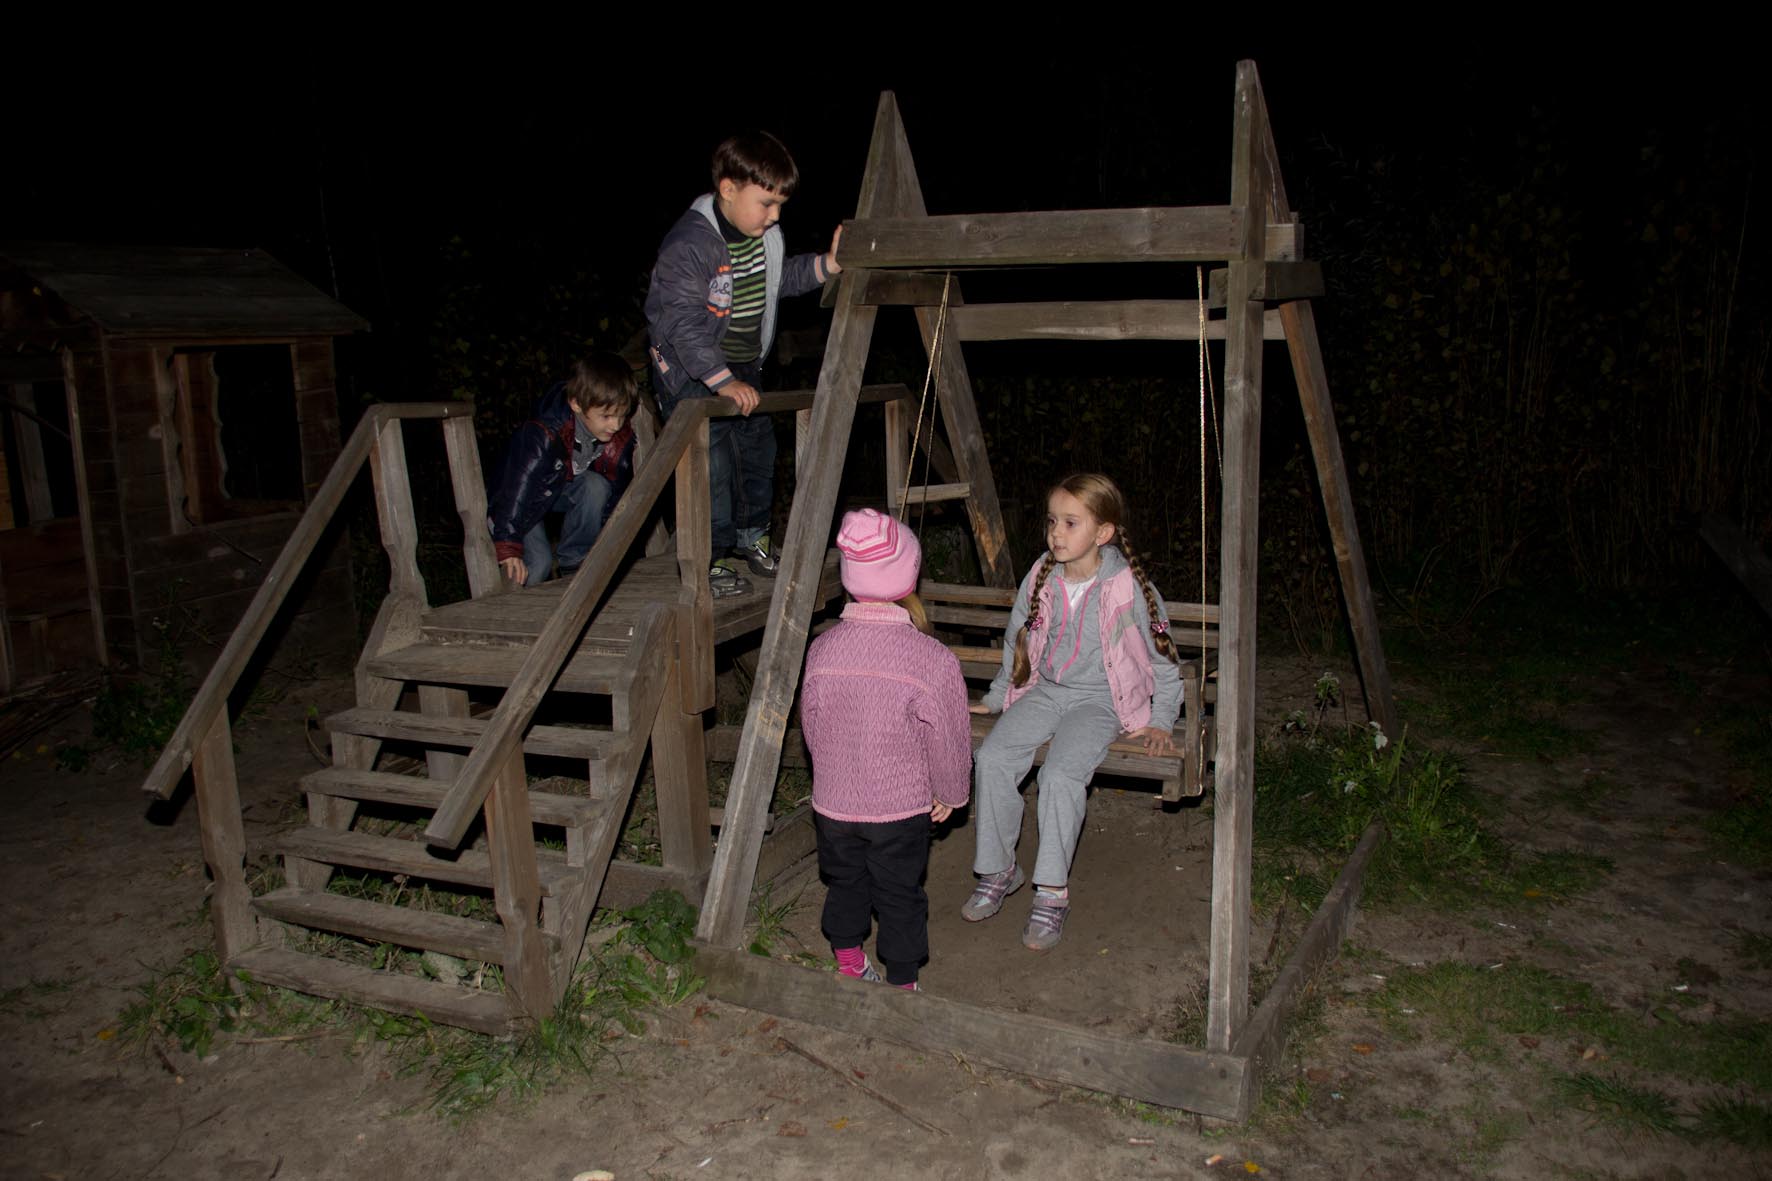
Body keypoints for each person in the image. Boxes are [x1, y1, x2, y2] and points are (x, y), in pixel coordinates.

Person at [964, 474, 1183, 951]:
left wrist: (1162, 718)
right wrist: (998, 696)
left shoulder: (1126, 586)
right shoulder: (1042, 575)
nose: (1055, 533)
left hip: (1101, 701)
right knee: (993, 757)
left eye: (1070, 523)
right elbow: (1016, 639)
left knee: (1061, 775)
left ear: (1103, 532)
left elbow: (1164, 656)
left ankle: (1051, 892)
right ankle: (999, 870)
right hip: (1046, 691)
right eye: (1052, 522)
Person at [643, 130, 842, 598]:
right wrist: (722, 381)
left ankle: (753, 537)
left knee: (758, 452)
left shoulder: (764, 237)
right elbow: (683, 325)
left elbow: (780, 279)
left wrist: (829, 265)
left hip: (743, 367)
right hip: (690, 372)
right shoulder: (690, 245)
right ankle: (708, 559)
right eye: (766, 203)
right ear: (728, 189)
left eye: (780, 206)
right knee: (709, 466)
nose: (775, 216)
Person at [800, 509, 972, 990]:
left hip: (834, 806)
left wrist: (830, 775)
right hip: (898, 809)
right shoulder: (932, 659)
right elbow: (949, 738)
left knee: (845, 883)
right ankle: (902, 983)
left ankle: (849, 962)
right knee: (899, 894)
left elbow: (811, 725)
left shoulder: (822, 650)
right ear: (908, 576)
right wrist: (952, 792)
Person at [487, 353, 636, 587]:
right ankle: (511, 608)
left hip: (558, 489)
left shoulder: (618, 437)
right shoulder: (543, 433)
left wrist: (609, 543)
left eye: (621, 415)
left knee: (595, 486)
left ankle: (574, 561)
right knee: (538, 563)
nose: (615, 425)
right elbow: (517, 488)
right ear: (576, 404)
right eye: (607, 416)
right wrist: (508, 545)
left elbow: (615, 493)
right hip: (517, 501)